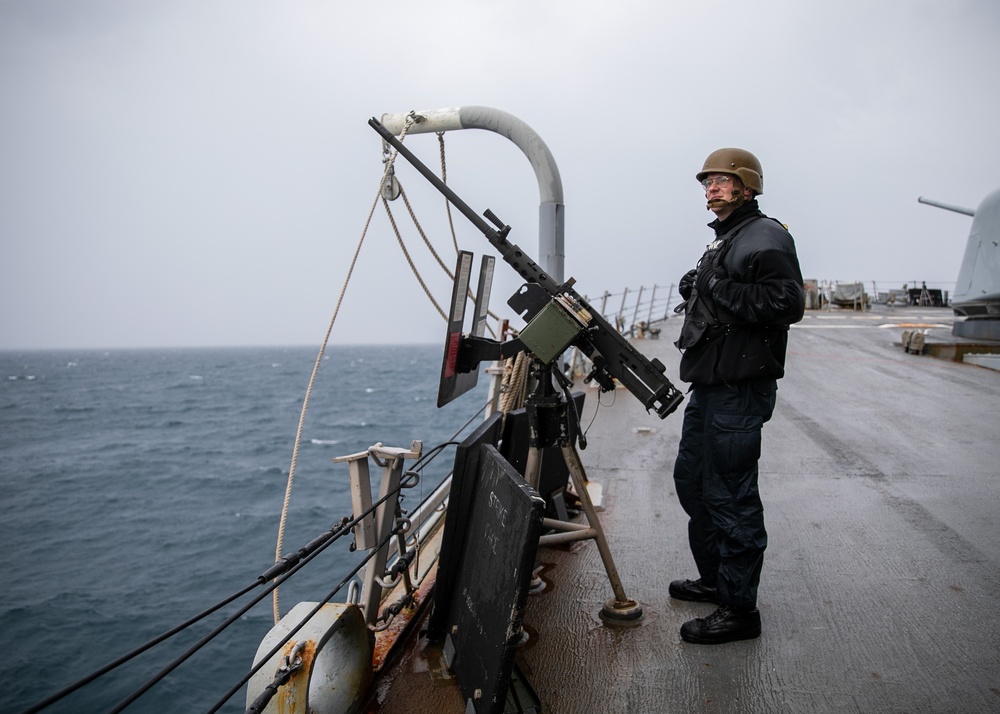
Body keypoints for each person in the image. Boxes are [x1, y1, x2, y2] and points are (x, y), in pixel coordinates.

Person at [670, 148, 805, 644]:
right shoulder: (727, 238)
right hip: (710, 386)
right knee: (694, 482)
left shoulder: (765, 234)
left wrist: (716, 286)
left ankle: (739, 610)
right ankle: (715, 580)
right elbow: (721, 290)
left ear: (747, 187)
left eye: (723, 181)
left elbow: (786, 303)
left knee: (732, 496)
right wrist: (700, 286)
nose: (712, 188)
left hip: (739, 391)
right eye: (707, 181)